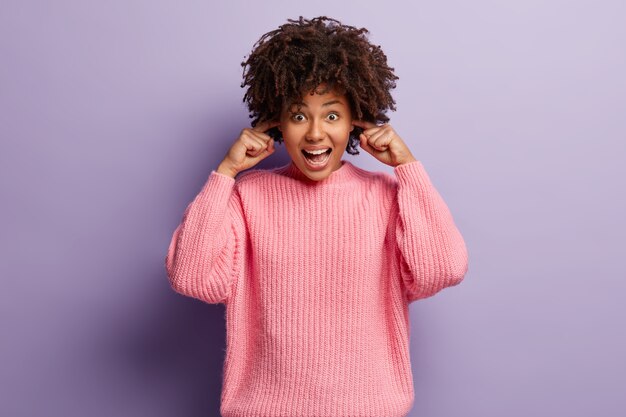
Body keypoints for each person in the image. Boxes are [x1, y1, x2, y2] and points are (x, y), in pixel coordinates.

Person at [165, 16, 468, 417]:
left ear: (354, 122)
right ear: (276, 123)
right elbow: (193, 277)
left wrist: (407, 167)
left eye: (331, 115)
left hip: (369, 409)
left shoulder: (387, 196)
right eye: (298, 115)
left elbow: (442, 269)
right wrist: (225, 173)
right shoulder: (248, 197)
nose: (314, 134)